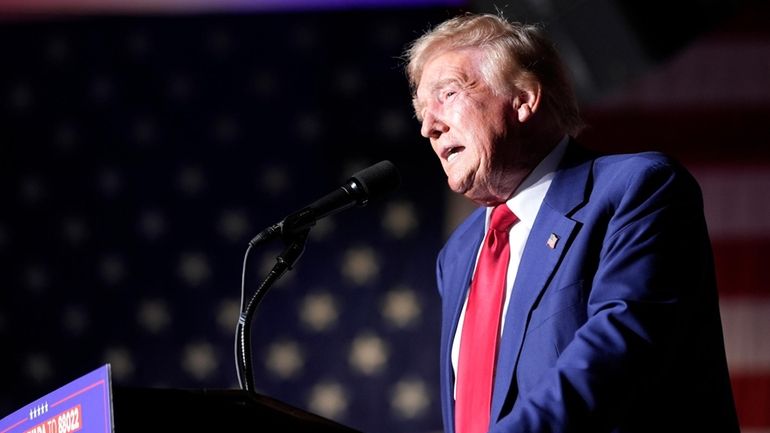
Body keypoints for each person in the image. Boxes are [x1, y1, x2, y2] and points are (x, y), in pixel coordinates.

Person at [404, 12, 739, 433]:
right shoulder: (458, 253)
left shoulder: (635, 190)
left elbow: (617, 352)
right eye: (421, 111)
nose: (428, 127)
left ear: (524, 98)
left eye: (447, 94)